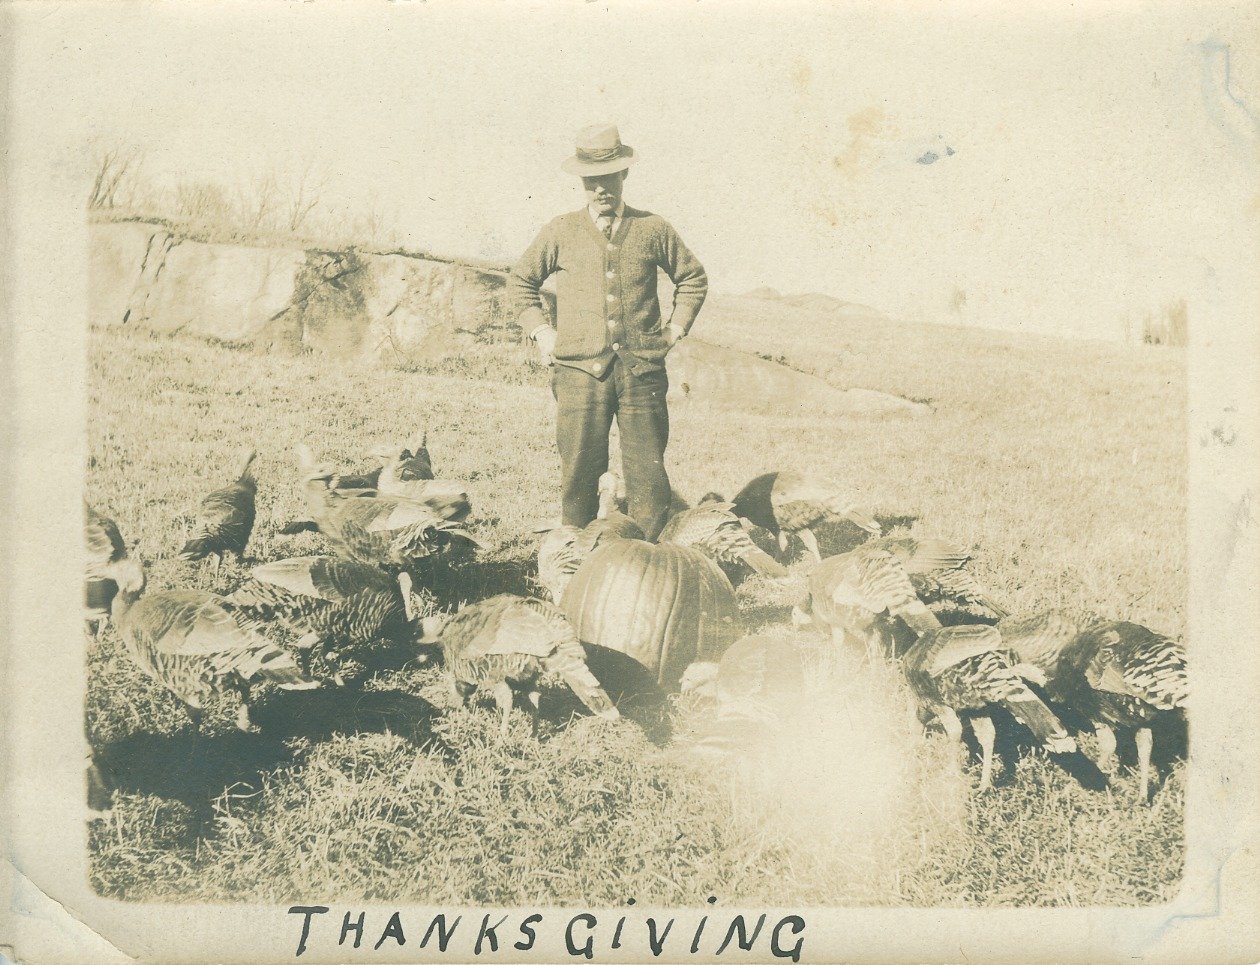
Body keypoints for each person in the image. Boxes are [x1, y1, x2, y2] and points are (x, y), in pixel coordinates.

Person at [507, 123, 708, 539]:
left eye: (609, 178)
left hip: (641, 374)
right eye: (591, 181)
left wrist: (674, 330)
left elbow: (692, 278)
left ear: (624, 174)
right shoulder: (560, 230)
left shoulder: (653, 228)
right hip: (578, 376)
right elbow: (521, 281)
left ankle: (648, 559)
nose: (601, 189)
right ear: (582, 182)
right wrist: (542, 332)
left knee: (649, 478)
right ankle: (576, 558)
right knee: (579, 474)